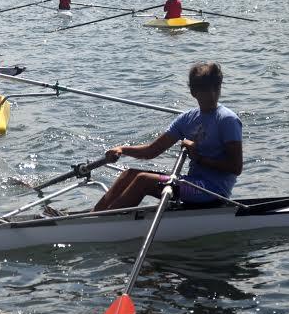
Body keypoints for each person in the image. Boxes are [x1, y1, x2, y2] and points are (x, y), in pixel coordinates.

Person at [93, 62, 242, 211]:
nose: (212, 94)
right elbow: (151, 151)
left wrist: (199, 158)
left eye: (216, 88)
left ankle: (101, 225)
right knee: (128, 175)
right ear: (193, 92)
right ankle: (94, 215)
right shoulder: (187, 119)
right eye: (205, 90)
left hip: (213, 191)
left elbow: (236, 167)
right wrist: (122, 149)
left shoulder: (227, 120)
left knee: (143, 180)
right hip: (192, 183)